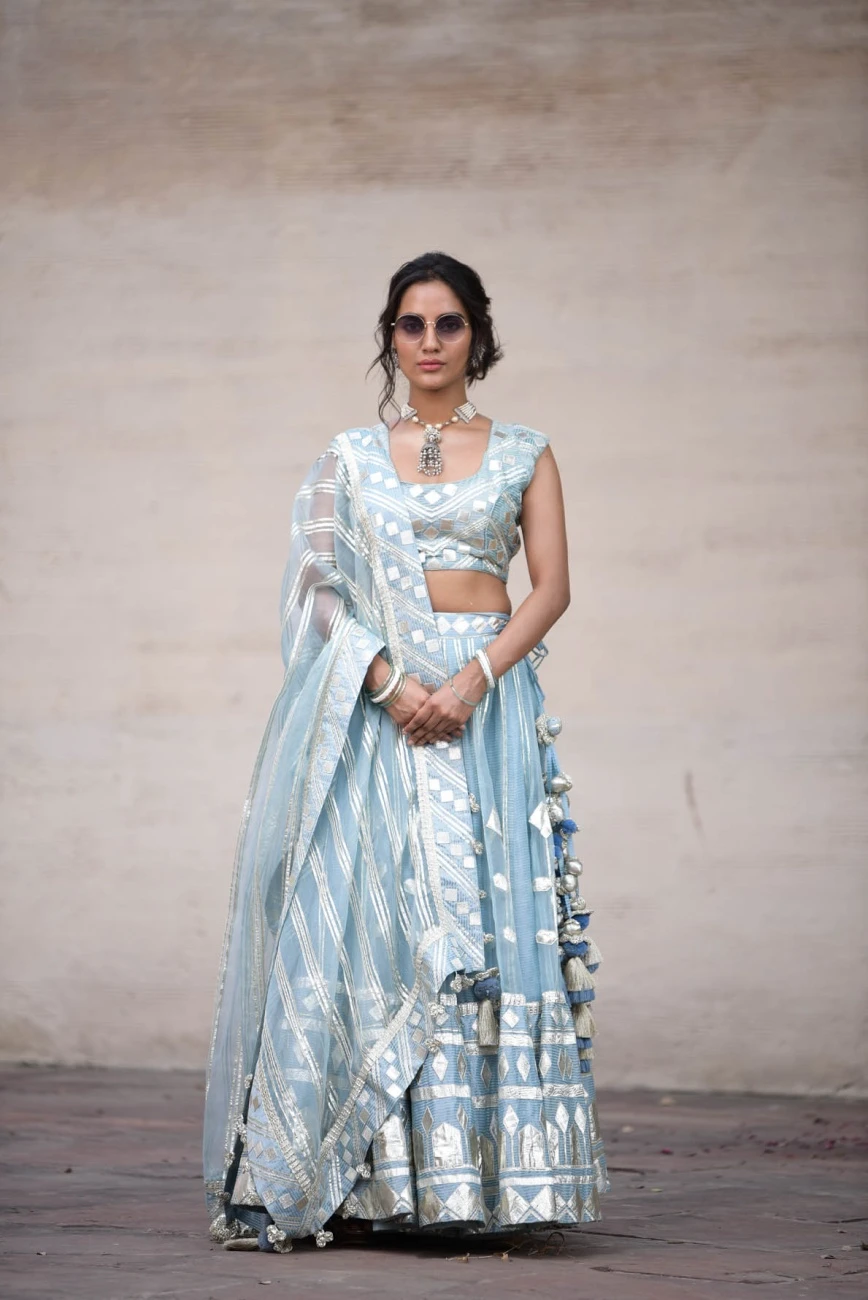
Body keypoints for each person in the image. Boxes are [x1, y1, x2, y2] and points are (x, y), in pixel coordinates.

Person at [203, 251, 609, 1253]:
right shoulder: (347, 458)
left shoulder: (526, 451)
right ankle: (364, 1179)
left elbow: (552, 587)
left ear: (479, 336)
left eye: (449, 323)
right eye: (411, 324)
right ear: (389, 337)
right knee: (372, 923)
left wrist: (471, 683)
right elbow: (318, 590)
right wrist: (388, 684)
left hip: (488, 706)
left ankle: (488, 1181)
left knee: (490, 926)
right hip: (380, 709)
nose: (430, 342)